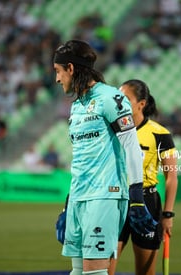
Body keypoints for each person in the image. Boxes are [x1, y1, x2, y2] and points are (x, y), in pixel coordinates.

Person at [53, 40, 157, 275]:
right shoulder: (77, 105)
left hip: (104, 196)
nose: (57, 79)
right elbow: (81, 157)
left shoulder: (111, 97)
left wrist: (137, 197)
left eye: (58, 72)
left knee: (94, 273)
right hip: (80, 197)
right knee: (78, 273)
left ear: (70, 68)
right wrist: (67, 206)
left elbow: (132, 146)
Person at [108, 79, 178, 275]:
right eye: (118, 98)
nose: (119, 103)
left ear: (142, 104)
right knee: (103, 271)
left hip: (147, 204)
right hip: (115, 201)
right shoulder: (111, 130)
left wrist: (168, 214)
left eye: (126, 99)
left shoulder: (160, 134)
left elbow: (171, 177)